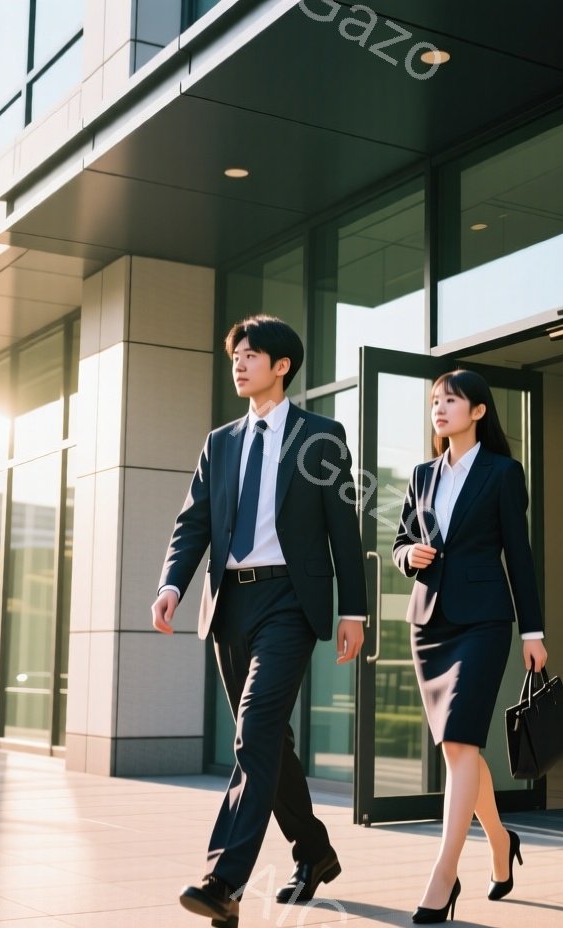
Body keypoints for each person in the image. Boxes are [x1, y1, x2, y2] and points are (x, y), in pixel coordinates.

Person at [152, 316, 368, 927]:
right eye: (235, 356)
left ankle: (224, 881)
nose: (240, 364)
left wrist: (354, 608)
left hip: (289, 604)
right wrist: (173, 583)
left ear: (282, 366)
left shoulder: (320, 436)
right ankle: (315, 851)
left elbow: (343, 530)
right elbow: (193, 521)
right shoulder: (220, 442)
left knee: (253, 732)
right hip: (229, 606)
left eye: (251, 355)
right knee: (270, 741)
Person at [391, 369, 546, 924]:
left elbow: (519, 557)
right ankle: (501, 842)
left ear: (478, 410)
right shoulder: (421, 474)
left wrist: (534, 631)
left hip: (483, 622)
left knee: (460, 743)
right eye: (435, 400)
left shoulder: (504, 473)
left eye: (451, 399)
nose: (440, 407)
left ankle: (443, 876)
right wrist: (407, 557)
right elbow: (400, 541)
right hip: (429, 624)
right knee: (461, 750)